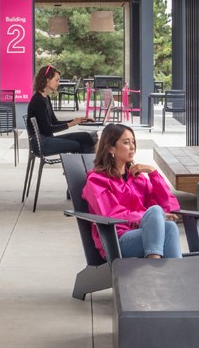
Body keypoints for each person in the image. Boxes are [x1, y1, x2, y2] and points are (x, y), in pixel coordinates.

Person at [79, 121, 186, 260]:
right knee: (156, 213)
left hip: (144, 233)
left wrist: (153, 173)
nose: (132, 147)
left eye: (133, 142)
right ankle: (156, 268)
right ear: (111, 148)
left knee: (170, 226)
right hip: (116, 239)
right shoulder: (97, 181)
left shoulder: (137, 178)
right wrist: (149, 217)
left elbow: (169, 205)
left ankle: (161, 270)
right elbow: (111, 214)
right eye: (126, 142)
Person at [27, 63, 96, 157]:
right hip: (41, 144)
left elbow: (54, 122)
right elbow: (47, 129)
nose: (59, 83)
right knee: (76, 145)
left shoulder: (46, 98)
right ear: (47, 79)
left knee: (85, 137)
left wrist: (76, 120)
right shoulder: (38, 101)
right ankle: (85, 168)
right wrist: (70, 124)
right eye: (57, 80)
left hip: (47, 139)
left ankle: (88, 168)